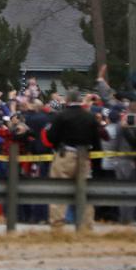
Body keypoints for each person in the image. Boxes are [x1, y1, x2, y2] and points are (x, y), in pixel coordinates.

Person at [44, 92, 101, 228]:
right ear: (80, 100)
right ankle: (87, 225)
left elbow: (51, 137)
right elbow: (96, 141)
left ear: (67, 100)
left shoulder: (61, 116)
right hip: (84, 156)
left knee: (59, 190)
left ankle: (57, 224)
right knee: (84, 191)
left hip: (65, 155)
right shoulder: (90, 117)